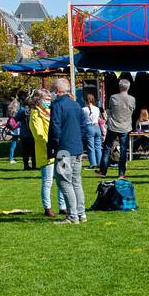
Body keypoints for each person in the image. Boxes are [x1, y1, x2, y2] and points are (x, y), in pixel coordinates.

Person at [48, 78, 88, 225]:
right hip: (77, 149)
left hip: (64, 150)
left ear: (57, 91)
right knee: (76, 182)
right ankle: (81, 213)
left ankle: (73, 216)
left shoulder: (57, 105)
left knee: (65, 182)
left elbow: (55, 128)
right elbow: (84, 126)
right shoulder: (77, 105)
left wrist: (56, 145)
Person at [29, 90, 66, 219]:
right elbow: (39, 135)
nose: (49, 101)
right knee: (48, 181)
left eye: (50, 99)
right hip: (46, 151)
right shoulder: (35, 114)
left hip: (57, 148)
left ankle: (63, 206)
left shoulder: (50, 111)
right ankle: (47, 208)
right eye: (46, 98)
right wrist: (50, 146)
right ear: (38, 99)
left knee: (62, 179)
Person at [99, 78, 135, 179]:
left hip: (113, 126)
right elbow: (132, 110)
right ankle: (121, 174)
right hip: (125, 127)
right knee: (123, 150)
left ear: (119, 87)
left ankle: (103, 171)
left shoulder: (113, 97)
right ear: (128, 88)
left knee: (106, 148)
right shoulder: (132, 99)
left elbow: (110, 110)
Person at [82, 92, 103, 170]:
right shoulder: (97, 109)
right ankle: (100, 163)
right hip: (97, 127)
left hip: (89, 127)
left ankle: (93, 164)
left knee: (90, 147)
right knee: (98, 146)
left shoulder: (83, 109)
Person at [17, 95, 35, 171]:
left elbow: (16, 118)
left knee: (25, 151)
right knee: (33, 150)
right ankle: (34, 165)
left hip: (24, 133)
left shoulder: (22, 110)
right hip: (32, 133)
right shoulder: (34, 110)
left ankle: (26, 165)